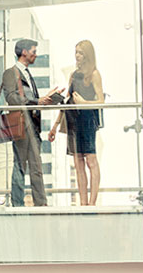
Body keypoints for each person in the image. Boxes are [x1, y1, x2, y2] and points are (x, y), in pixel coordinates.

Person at [2, 39, 63, 207]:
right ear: (24, 52)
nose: (36, 54)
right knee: (20, 165)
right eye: (33, 51)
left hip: (33, 126)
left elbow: (31, 100)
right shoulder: (11, 73)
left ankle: (41, 204)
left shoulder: (28, 74)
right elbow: (12, 98)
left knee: (36, 167)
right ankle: (17, 204)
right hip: (21, 125)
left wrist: (47, 99)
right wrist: (36, 101)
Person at [48, 40, 104, 206]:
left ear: (87, 55)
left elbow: (101, 101)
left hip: (88, 120)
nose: (77, 55)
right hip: (73, 120)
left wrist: (84, 103)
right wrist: (55, 125)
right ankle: (83, 202)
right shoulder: (73, 75)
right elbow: (67, 102)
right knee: (78, 161)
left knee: (91, 160)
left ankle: (93, 203)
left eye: (80, 52)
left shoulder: (94, 74)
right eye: (76, 52)